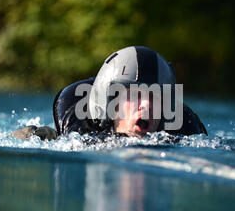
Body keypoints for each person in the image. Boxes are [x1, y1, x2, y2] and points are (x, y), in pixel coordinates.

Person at [12, 46, 207, 141]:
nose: (146, 105)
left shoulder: (184, 134)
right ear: (109, 102)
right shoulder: (79, 132)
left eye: (155, 97)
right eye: (136, 95)